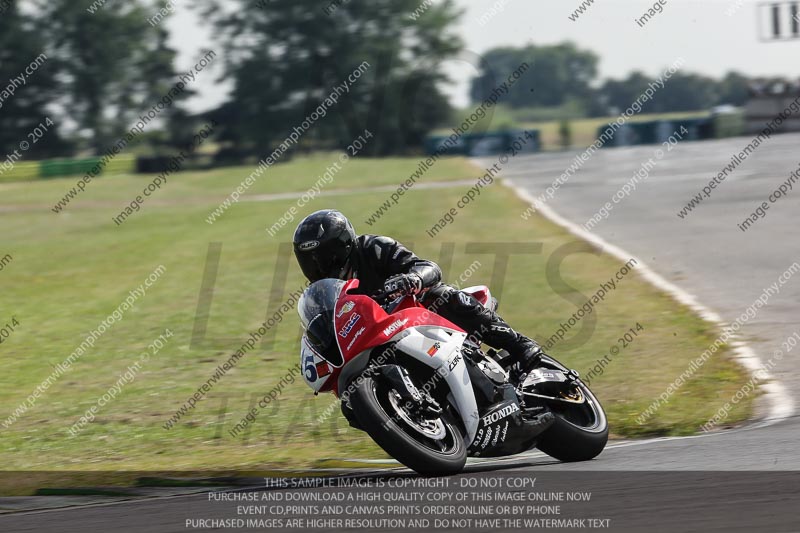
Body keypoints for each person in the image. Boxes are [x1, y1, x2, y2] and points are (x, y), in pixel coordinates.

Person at [292, 209, 543, 374]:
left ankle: (519, 344)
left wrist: (411, 279)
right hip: (376, 340)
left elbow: (428, 268)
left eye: (324, 256)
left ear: (343, 245)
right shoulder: (322, 293)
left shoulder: (373, 248)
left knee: (440, 295)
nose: (319, 265)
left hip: (415, 317)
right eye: (310, 260)